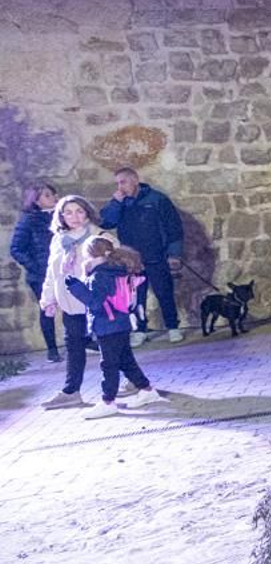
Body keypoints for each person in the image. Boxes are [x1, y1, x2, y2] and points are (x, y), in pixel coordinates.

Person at [65, 238, 166, 418]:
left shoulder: (100, 276)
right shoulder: (117, 271)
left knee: (109, 364)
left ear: (91, 256)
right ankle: (146, 390)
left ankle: (108, 401)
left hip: (107, 326)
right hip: (121, 323)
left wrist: (76, 287)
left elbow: (95, 303)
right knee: (126, 360)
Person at [98, 167, 184, 346]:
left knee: (164, 293)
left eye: (123, 182)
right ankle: (140, 329)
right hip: (131, 260)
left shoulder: (157, 199)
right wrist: (115, 203)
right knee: (136, 297)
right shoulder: (120, 203)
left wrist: (174, 253)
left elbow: (173, 227)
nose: (120, 187)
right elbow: (106, 222)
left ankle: (173, 327)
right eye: (118, 183)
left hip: (156, 255)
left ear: (135, 180)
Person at [37, 197, 103, 408]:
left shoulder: (99, 236)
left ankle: (137, 383)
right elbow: (51, 272)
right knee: (74, 346)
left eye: (79, 211)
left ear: (87, 213)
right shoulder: (59, 240)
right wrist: (48, 299)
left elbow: (113, 264)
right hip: (70, 303)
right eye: (69, 212)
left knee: (110, 345)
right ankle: (71, 391)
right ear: (61, 216)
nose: (75, 217)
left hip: (95, 301)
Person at [9, 182, 61, 362]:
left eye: (53, 194)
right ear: (36, 201)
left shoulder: (61, 216)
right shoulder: (29, 220)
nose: (53, 197)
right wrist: (36, 267)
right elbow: (16, 248)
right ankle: (52, 350)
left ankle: (84, 341)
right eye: (47, 195)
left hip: (63, 270)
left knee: (76, 306)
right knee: (47, 309)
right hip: (41, 274)